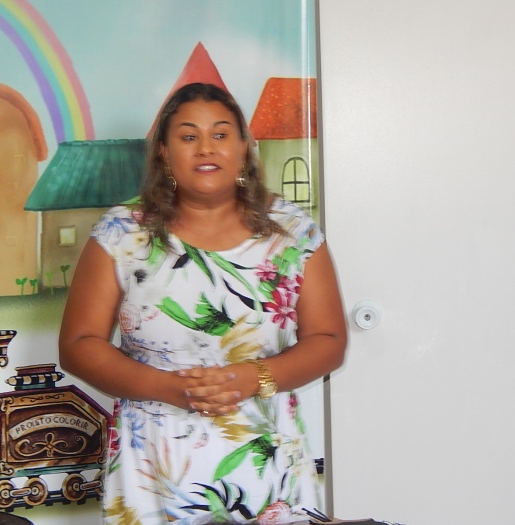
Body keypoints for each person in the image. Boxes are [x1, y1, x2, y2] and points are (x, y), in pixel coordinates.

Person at [59, 82, 347, 525]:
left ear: (244, 147)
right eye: (189, 136)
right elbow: (79, 344)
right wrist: (170, 389)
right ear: (164, 152)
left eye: (221, 134)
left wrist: (253, 377)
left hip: (266, 464)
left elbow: (328, 339)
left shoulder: (292, 232)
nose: (206, 148)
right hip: (154, 467)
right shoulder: (121, 232)